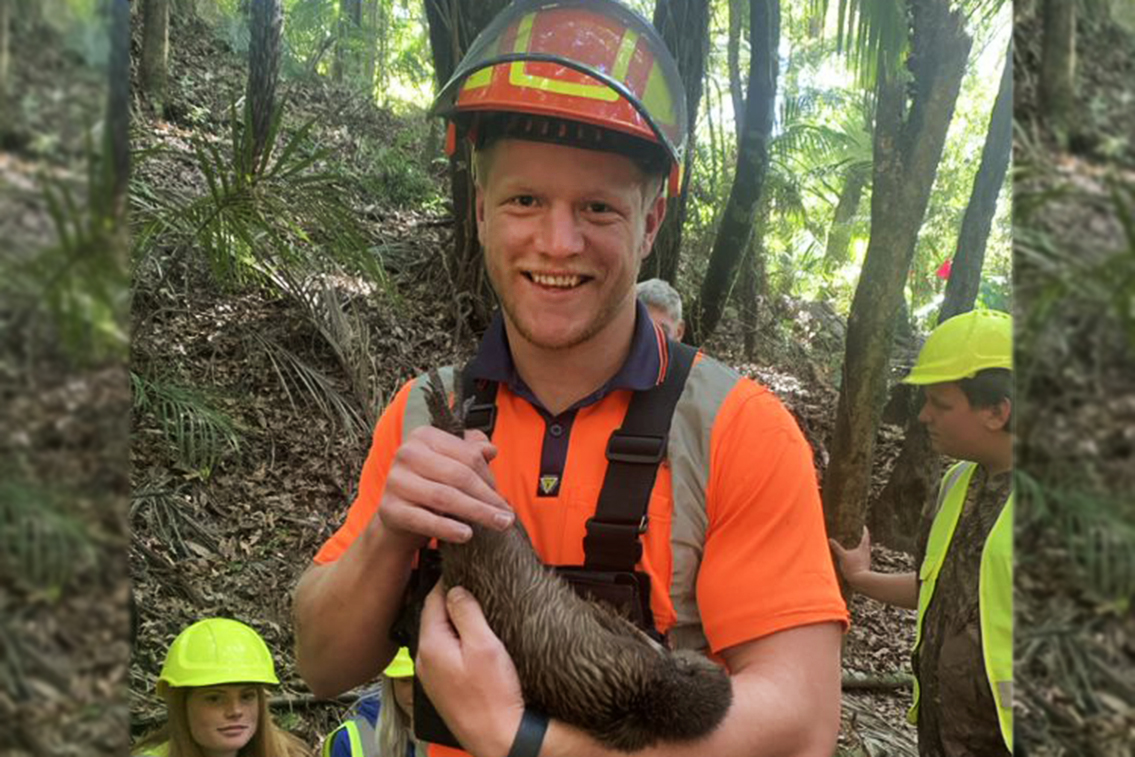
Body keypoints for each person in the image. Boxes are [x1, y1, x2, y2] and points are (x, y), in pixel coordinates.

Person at [294, 2, 849, 756]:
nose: (558, 243)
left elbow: (801, 725)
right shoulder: (429, 413)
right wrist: (390, 533)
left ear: (650, 223)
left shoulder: (735, 429)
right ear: (482, 210)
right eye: (526, 200)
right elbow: (321, 663)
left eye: (597, 207)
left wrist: (518, 739)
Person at [829, 309, 1013, 757]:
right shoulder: (956, 484)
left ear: (996, 411)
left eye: (941, 404)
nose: (925, 415)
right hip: (944, 738)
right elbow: (943, 590)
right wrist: (861, 579)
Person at [132, 617, 309, 757]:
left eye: (246, 696)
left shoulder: (287, 753)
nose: (235, 711)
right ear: (181, 704)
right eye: (214, 698)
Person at [322, 647, 424, 757]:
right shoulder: (350, 741)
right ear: (390, 683)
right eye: (404, 680)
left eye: (424, 681)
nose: (415, 693)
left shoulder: (444, 735)